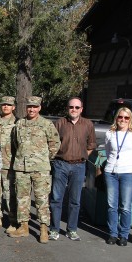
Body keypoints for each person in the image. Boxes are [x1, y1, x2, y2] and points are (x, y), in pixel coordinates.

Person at [9, 96, 61, 243]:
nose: (31, 109)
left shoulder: (46, 124)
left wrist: (44, 158)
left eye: (35, 107)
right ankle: (23, 226)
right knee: (22, 198)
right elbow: (15, 143)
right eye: (29, 107)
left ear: (39, 108)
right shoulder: (20, 124)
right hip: (21, 167)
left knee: (42, 199)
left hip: (40, 168)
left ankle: (43, 228)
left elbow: (55, 143)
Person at [48, 97, 96, 241]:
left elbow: (91, 145)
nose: (73, 110)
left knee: (75, 200)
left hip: (79, 166)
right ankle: (54, 229)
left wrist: (82, 157)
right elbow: (52, 143)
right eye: (71, 107)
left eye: (76, 107)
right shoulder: (59, 123)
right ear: (67, 108)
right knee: (56, 199)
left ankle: (72, 229)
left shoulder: (88, 124)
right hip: (60, 164)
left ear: (81, 109)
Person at [103, 107, 132, 246]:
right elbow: (109, 151)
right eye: (120, 117)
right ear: (116, 118)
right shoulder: (110, 133)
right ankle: (112, 234)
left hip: (129, 172)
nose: (123, 120)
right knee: (111, 205)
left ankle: (124, 235)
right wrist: (113, 163)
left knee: (125, 206)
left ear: (130, 119)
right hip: (111, 172)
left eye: (126, 118)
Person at [0, 96, 17, 232]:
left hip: (10, 164)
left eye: (9, 105)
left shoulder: (18, 123)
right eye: (3, 104)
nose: (5, 107)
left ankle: (13, 220)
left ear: (13, 107)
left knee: (9, 193)